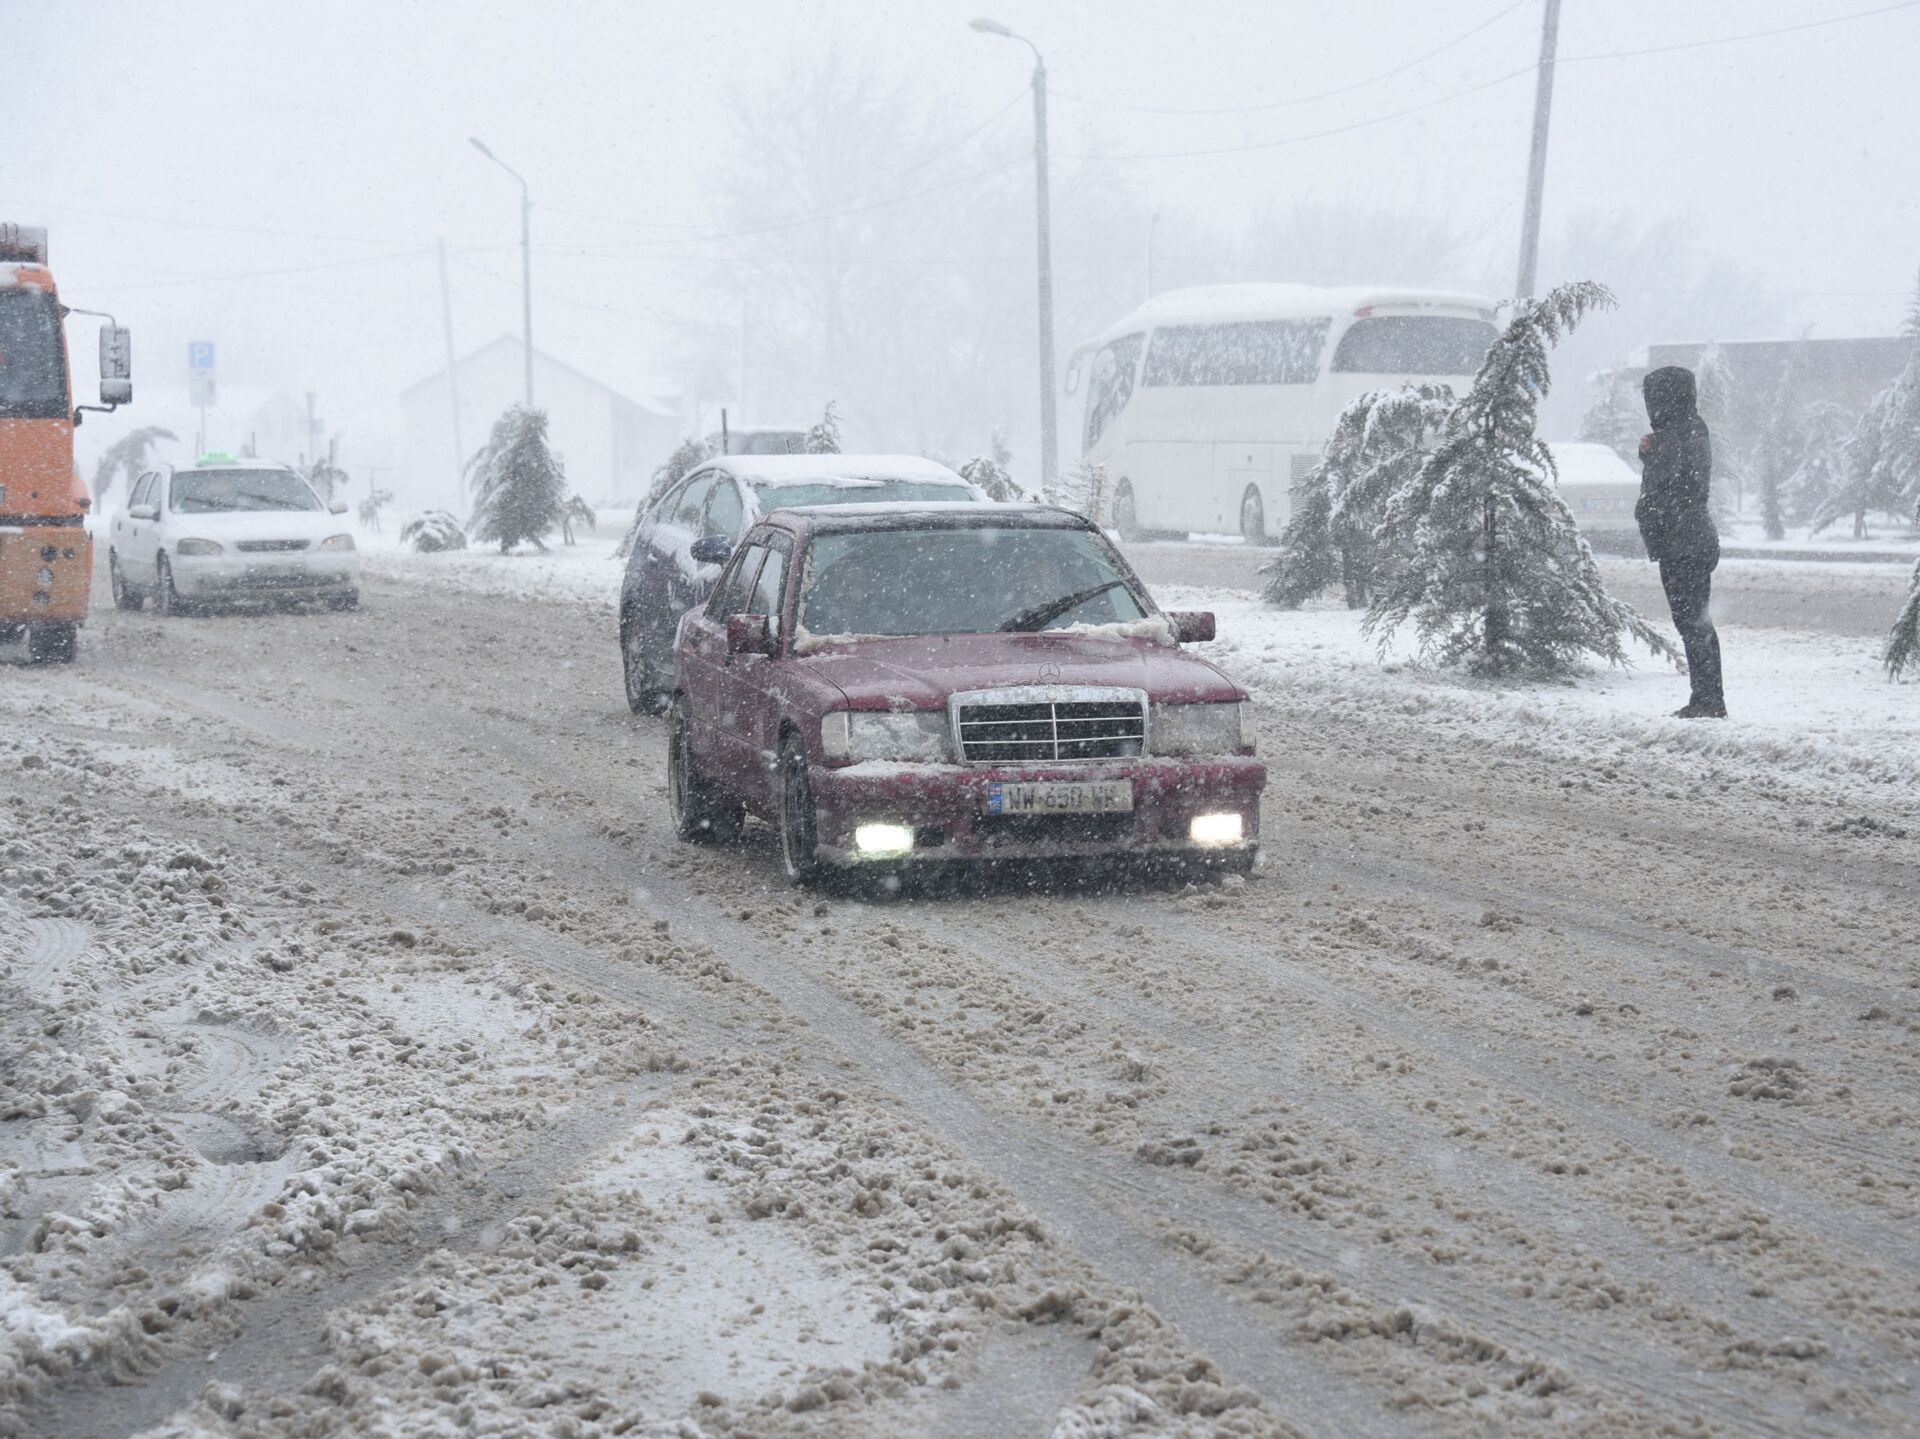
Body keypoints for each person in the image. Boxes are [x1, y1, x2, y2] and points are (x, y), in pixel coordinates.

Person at [1636, 365, 1725, 718]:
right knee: (1693, 622)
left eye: (1654, 397)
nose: (1650, 405)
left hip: (1683, 543)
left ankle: (1708, 700)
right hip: (1687, 540)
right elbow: (1675, 476)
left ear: (1667, 398)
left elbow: (1670, 485)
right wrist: (1650, 451)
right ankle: (1706, 698)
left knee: (1693, 623)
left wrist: (1653, 455)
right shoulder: (1688, 429)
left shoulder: (1679, 433)